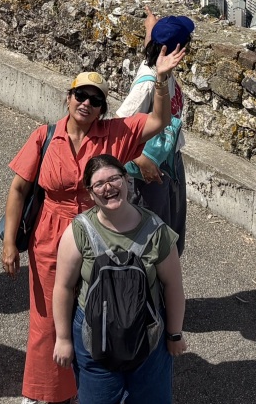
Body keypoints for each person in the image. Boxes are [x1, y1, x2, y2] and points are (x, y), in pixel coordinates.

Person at [2, 48, 183, 404]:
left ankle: (90, 384)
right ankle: (46, 392)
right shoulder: (45, 136)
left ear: (102, 108)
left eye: (96, 100)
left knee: (98, 309)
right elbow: (19, 189)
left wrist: (161, 80)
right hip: (51, 234)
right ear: (68, 98)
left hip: (100, 233)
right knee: (47, 318)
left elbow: (159, 121)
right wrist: (10, 242)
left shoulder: (115, 133)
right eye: (81, 95)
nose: (86, 103)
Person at [52, 154, 187, 404]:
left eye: (114, 178)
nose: (108, 187)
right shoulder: (79, 231)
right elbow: (63, 287)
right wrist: (62, 339)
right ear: (90, 193)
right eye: (99, 184)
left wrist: (174, 334)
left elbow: (173, 286)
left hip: (147, 332)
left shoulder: (156, 230)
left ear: (126, 179)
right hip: (94, 334)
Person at [116, 12, 193, 253]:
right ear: (175, 50)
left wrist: (151, 26)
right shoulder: (149, 83)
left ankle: (167, 273)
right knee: (150, 238)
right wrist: (141, 160)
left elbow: (152, 45)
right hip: (149, 169)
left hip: (168, 158)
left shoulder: (157, 62)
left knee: (171, 229)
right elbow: (119, 126)